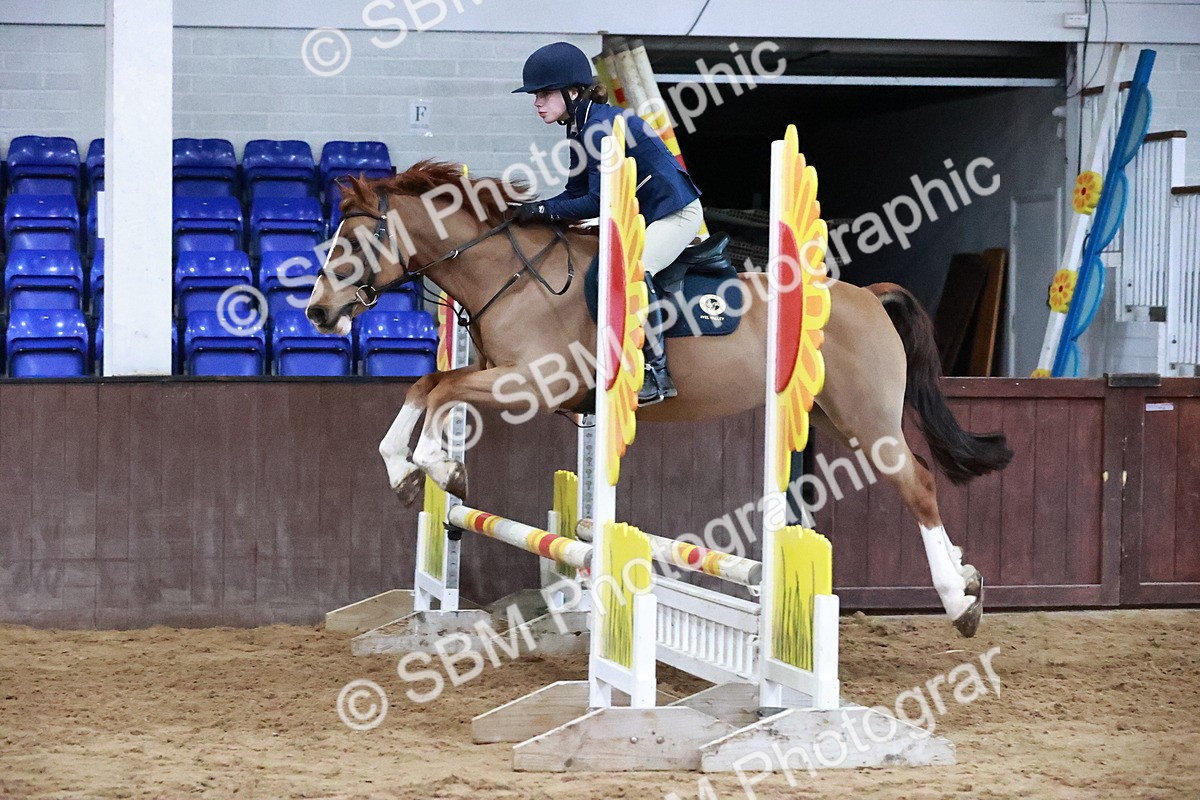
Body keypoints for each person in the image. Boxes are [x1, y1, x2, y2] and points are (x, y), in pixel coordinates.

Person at [510, 41, 704, 405]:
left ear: (572, 91)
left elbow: (599, 202)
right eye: (536, 95)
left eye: (545, 93)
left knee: (633, 271)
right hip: (645, 215)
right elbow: (574, 192)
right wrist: (528, 209)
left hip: (675, 214)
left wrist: (539, 213)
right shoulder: (580, 125)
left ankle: (655, 371)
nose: (537, 102)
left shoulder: (599, 127)